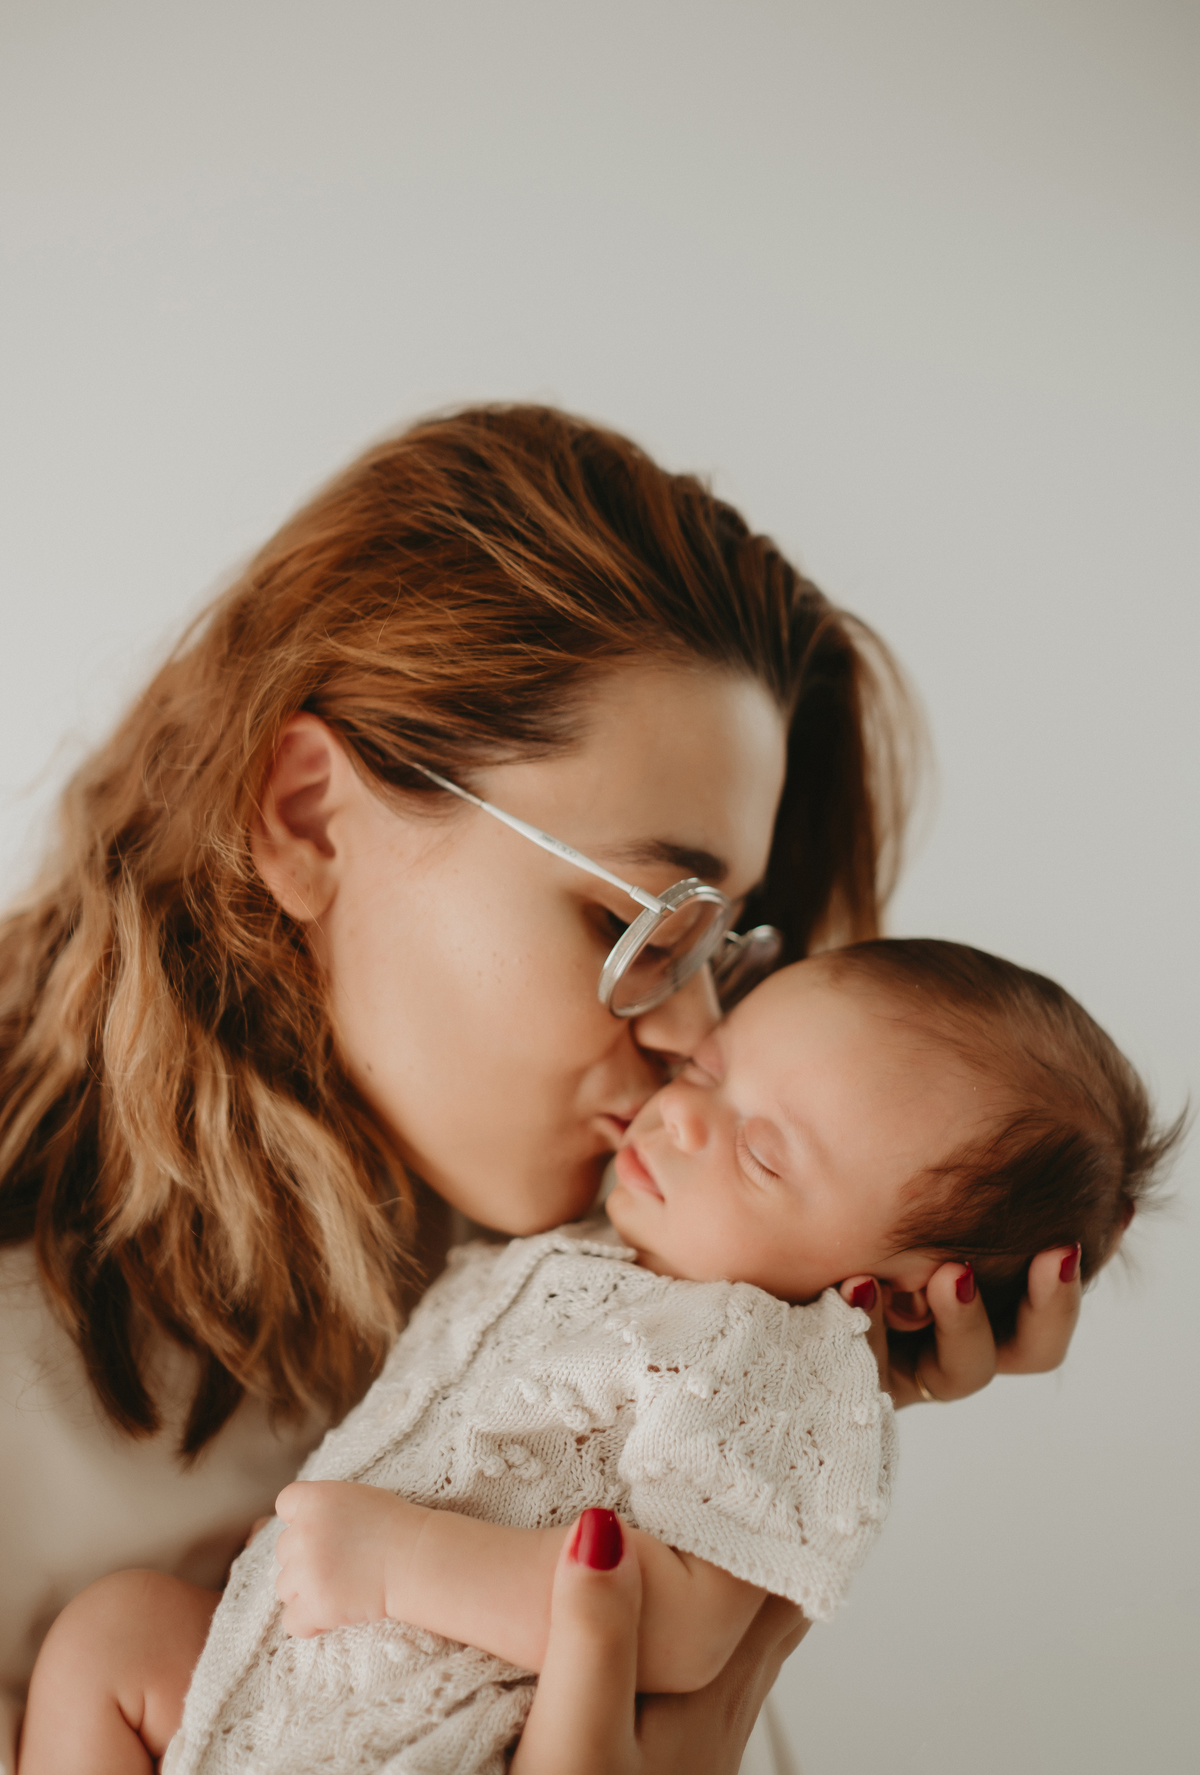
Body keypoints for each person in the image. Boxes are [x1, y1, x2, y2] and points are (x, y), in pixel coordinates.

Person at [0, 406, 1086, 1774]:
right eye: (635, 923)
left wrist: (816, 1378)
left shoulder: (600, 1324)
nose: (694, 1033)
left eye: (722, 949)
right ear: (308, 814)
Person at [17, 937, 1176, 1775]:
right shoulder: (595, 1230)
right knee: (116, 1633)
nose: (682, 1116)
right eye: (709, 1073)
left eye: (763, 1156)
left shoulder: (770, 1366)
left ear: (896, 1295)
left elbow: (688, 1625)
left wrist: (407, 1563)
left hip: (437, 1732)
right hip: (280, 1678)